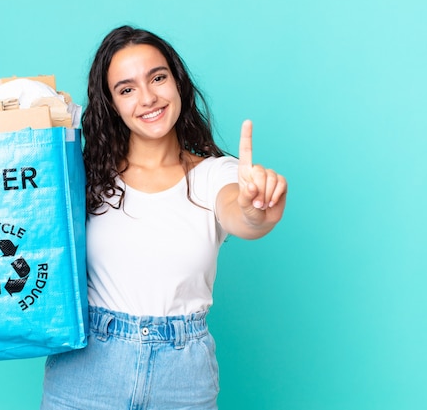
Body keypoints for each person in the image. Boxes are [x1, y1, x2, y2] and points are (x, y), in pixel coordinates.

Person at [41, 25, 287, 410]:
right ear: (111, 104)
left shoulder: (215, 175)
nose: (148, 98)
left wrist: (256, 209)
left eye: (158, 78)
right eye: (127, 89)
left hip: (183, 374)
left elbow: (240, 214)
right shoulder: (84, 178)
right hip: (88, 368)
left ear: (177, 82)